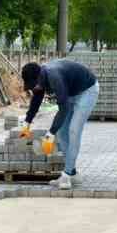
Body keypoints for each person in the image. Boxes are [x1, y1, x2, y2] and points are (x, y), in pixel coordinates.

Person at [22, 58, 100, 190]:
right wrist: (27, 122)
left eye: (33, 85)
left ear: (38, 78)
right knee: (62, 133)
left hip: (87, 91)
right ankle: (73, 174)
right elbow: (36, 99)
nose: (33, 88)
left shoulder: (54, 77)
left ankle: (66, 175)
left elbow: (63, 109)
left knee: (74, 131)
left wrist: (50, 134)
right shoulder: (41, 78)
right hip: (70, 93)